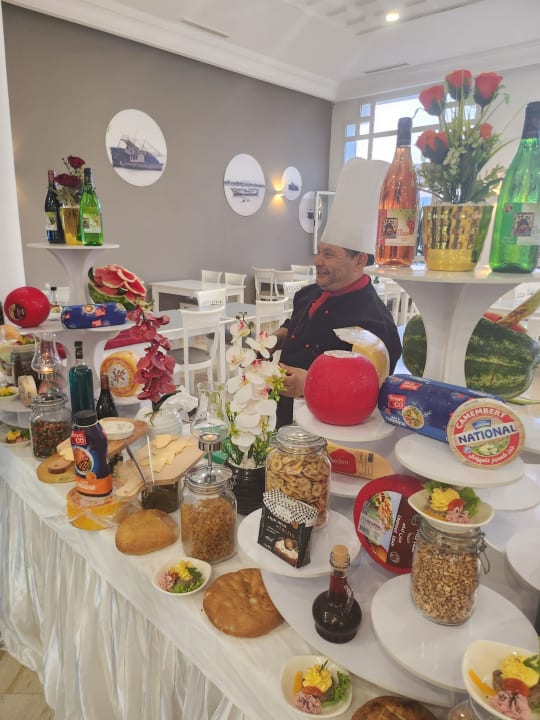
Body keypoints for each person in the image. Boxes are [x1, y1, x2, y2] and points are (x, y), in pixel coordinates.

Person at [274, 158, 403, 427]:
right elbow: (296, 323)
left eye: (329, 254)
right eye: (319, 251)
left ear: (359, 260)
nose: (317, 261)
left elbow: (373, 392)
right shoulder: (307, 294)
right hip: (283, 416)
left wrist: (308, 383)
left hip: (329, 429)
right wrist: (279, 336)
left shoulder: (375, 323)